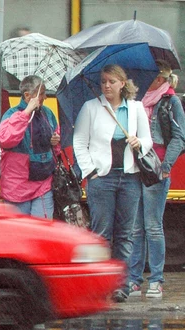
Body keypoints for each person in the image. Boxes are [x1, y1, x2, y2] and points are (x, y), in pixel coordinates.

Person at [73, 64, 152, 303]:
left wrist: (139, 142)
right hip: (102, 179)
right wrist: (91, 171)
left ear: (122, 83)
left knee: (126, 234)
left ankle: (121, 285)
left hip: (130, 177)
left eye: (111, 81)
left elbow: (148, 139)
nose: (107, 86)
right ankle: (97, 283)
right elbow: (80, 141)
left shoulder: (136, 108)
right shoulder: (92, 108)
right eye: (103, 82)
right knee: (101, 234)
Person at [128, 61, 185, 300]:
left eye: (149, 75)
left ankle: (156, 280)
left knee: (152, 226)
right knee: (135, 227)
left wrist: (165, 167)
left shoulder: (170, 102)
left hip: (156, 170)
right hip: (135, 168)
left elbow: (179, 138)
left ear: (160, 79)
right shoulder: (136, 102)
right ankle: (133, 280)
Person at [0, 76, 61, 218]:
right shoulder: (11, 114)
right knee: (21, 232)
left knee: (42, 230)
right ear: (27, 95)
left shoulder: (48, 113)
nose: (45, 97)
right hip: (17, 185)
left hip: (43, 182)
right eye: (41, 93)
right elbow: (5, 139)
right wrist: (26, 113)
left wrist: (55, 141)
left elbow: (57, 144)